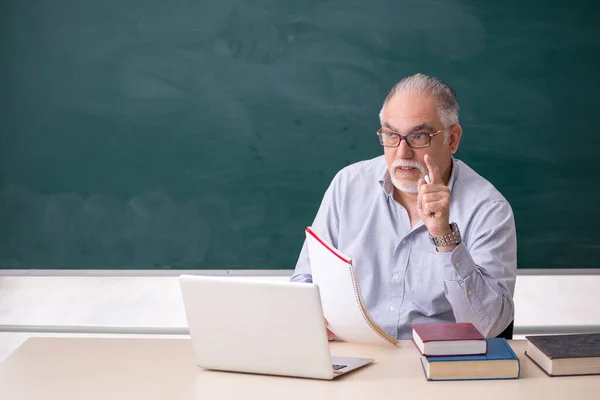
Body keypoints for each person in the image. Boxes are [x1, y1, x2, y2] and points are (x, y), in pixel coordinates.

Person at [290, 73, 517, 340]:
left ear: (452, 139)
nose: (402, 153)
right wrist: (311, 320)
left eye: (419, 136)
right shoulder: (348, 186)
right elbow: (306, 281)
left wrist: (445, 237)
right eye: (390, 135)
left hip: (440, 366)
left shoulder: (487, 208)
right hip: (357, 355)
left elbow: (489, 326)